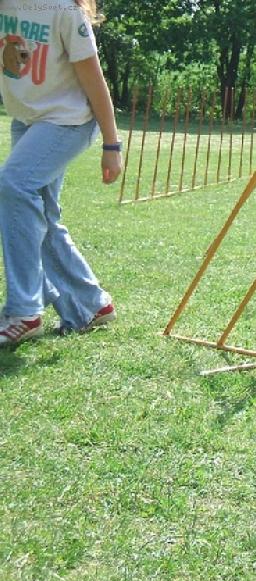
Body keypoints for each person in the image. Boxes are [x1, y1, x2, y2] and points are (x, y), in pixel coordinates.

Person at [0, 0, 122, 347]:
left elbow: (94, 79)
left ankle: (24, 312)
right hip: (28, 121)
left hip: (69, 122)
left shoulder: (63, 11)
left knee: (13, 185)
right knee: (40, 217)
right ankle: (91, 306)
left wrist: (112, 146)